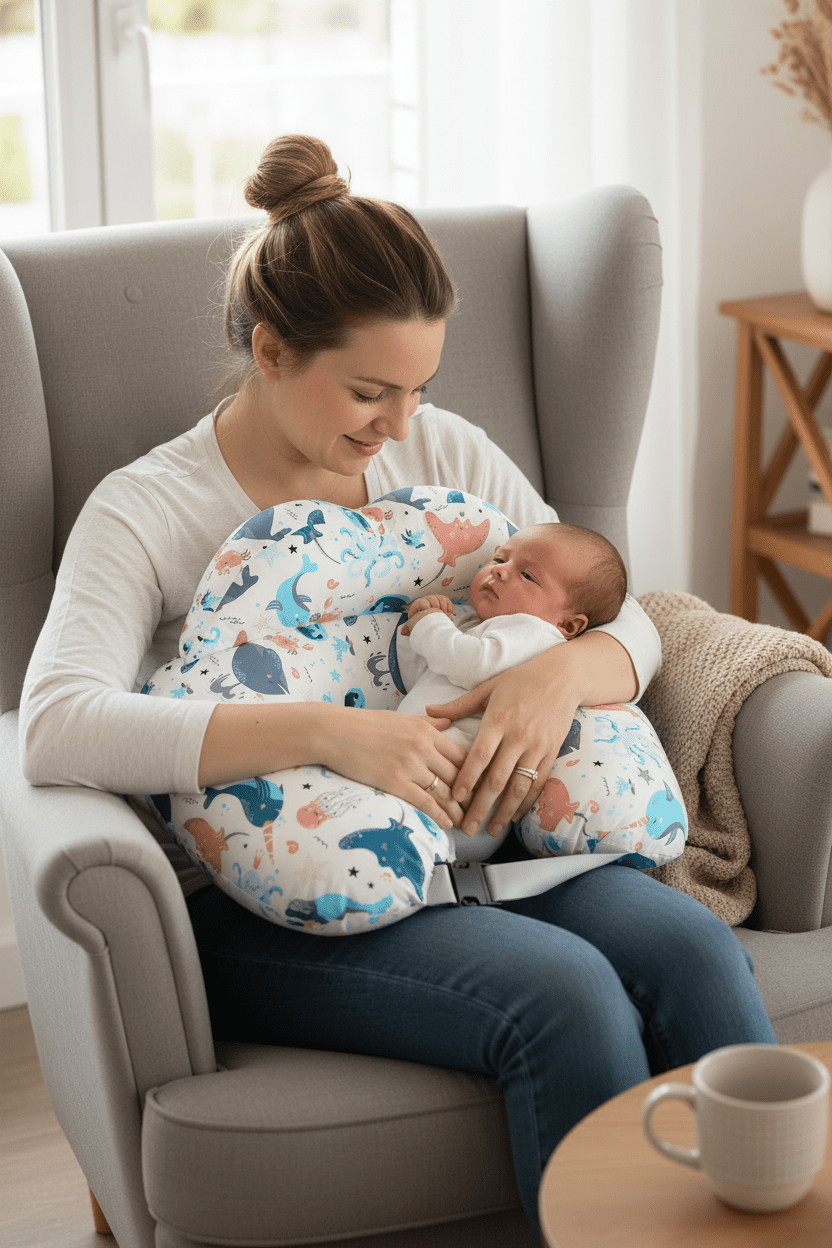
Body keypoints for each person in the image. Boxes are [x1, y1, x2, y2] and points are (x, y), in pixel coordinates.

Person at [19, 134, 775, 1242]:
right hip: (271, 888)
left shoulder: (447, 454)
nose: (398, 428)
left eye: (419, 388)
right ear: (271, 351)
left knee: (692, 952)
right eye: (368, 391)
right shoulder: (147, 510)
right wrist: (327, 736)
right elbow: (54, 728)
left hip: (483, 844)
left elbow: (616, 609)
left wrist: (564, 671)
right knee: (563, 999)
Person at [396, 522, 627, 855]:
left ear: (567, 624)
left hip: (457, 787)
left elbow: (471, 664)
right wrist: (416, 627)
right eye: (499, 559)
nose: (501, 572)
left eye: (528, 576)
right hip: (425, 769)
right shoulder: (475, 626)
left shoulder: (536, 633)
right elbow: (418, 675)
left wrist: (431, 625)